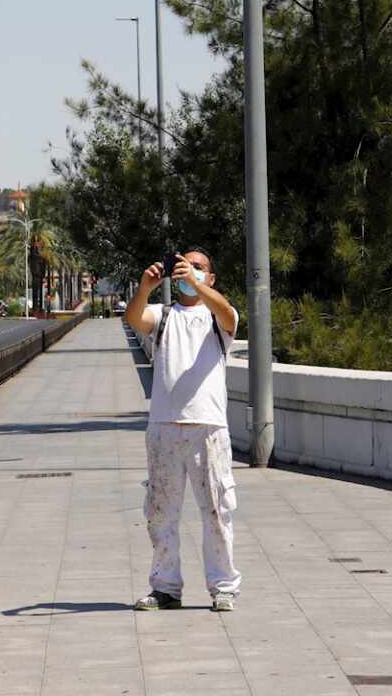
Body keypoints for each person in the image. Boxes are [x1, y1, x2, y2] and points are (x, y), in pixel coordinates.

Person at [124, 247, 242, 613]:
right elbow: (133, 317)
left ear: (211, 277)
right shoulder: (163, 316)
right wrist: (145, 287)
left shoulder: (217, 317)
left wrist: (195, 283)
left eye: (199, 267)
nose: (190, 271)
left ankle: (223, 586)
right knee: (160, 512)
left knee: (216, 511)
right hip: (163, 428)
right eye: (185, 266)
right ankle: (165, 588)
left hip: (208, 428)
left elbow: (225, 311)